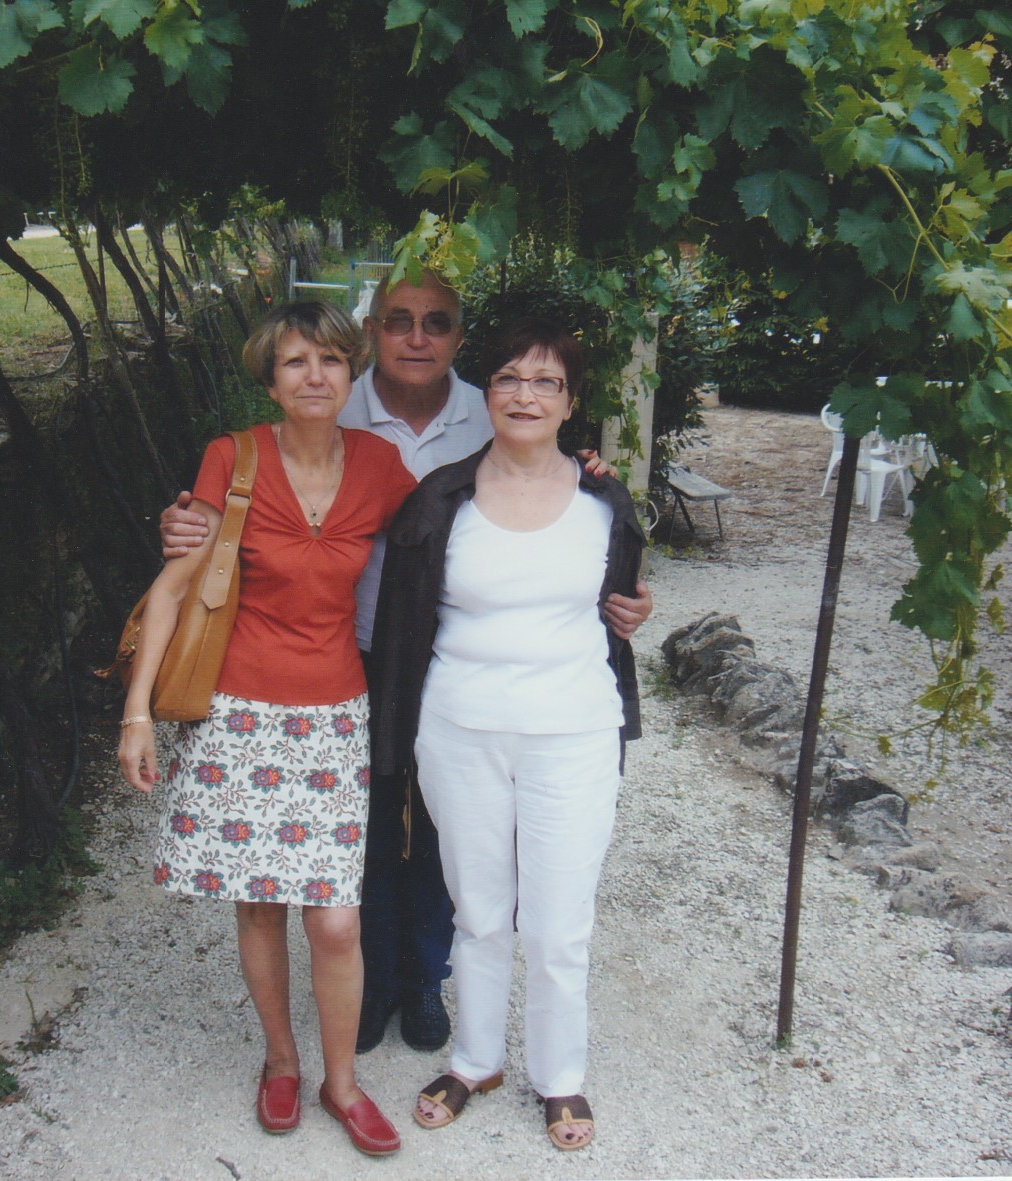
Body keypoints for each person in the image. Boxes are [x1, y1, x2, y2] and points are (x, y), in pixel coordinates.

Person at [159, 271, 653, 1058]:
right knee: (358, 830)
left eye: (436, 323)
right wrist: (189, 524)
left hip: (441, 653)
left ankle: (424, 976)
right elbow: (240, 506)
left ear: (458, 337)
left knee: (436, 832)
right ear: (371, 333)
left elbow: (549, 509)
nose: (416, 338)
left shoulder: (492, 410)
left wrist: (611, 554)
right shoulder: (330, 398)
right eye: (398, 321)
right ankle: (372, 981)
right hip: (349, 649)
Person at [118, 301, 412, 1157]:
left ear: (352, 373)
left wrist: (575, 474)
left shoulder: (380, 465)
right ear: (271, 380)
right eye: (294, 362)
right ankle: (280, 1059)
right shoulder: (233, 456)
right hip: (240, 715)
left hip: (334, 717)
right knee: (259, 902)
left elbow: (459, 525)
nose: (314, 376)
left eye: (330, 360)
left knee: (336, 920)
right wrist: (137, 714)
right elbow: (172, 589)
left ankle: (341, 1082)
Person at [368, 317, 644, 1153]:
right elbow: (402, 622)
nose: (526, 395)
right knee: (479, 909)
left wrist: (637, 608)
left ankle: (559, 1075)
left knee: (559, 921)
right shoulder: (441, 497)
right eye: (509, 379)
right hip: (460, 729)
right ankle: (475, 1060)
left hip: (573, 730)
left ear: (570, 401)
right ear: (484, 393)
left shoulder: (604, 500)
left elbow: (622, 600)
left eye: (545, 381)